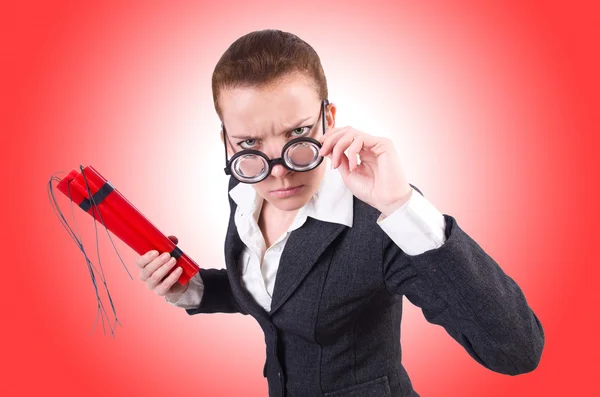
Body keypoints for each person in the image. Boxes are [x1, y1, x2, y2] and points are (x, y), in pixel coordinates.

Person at [134, 29, 544, 397]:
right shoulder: (243, 188)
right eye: (248, 143)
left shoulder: (381, 221)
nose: (277, 171)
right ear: (226, 140)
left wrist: (401, 205)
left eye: (297, 133)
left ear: (328, 119)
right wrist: (192, 288)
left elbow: (516, 350)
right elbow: (277, 292)